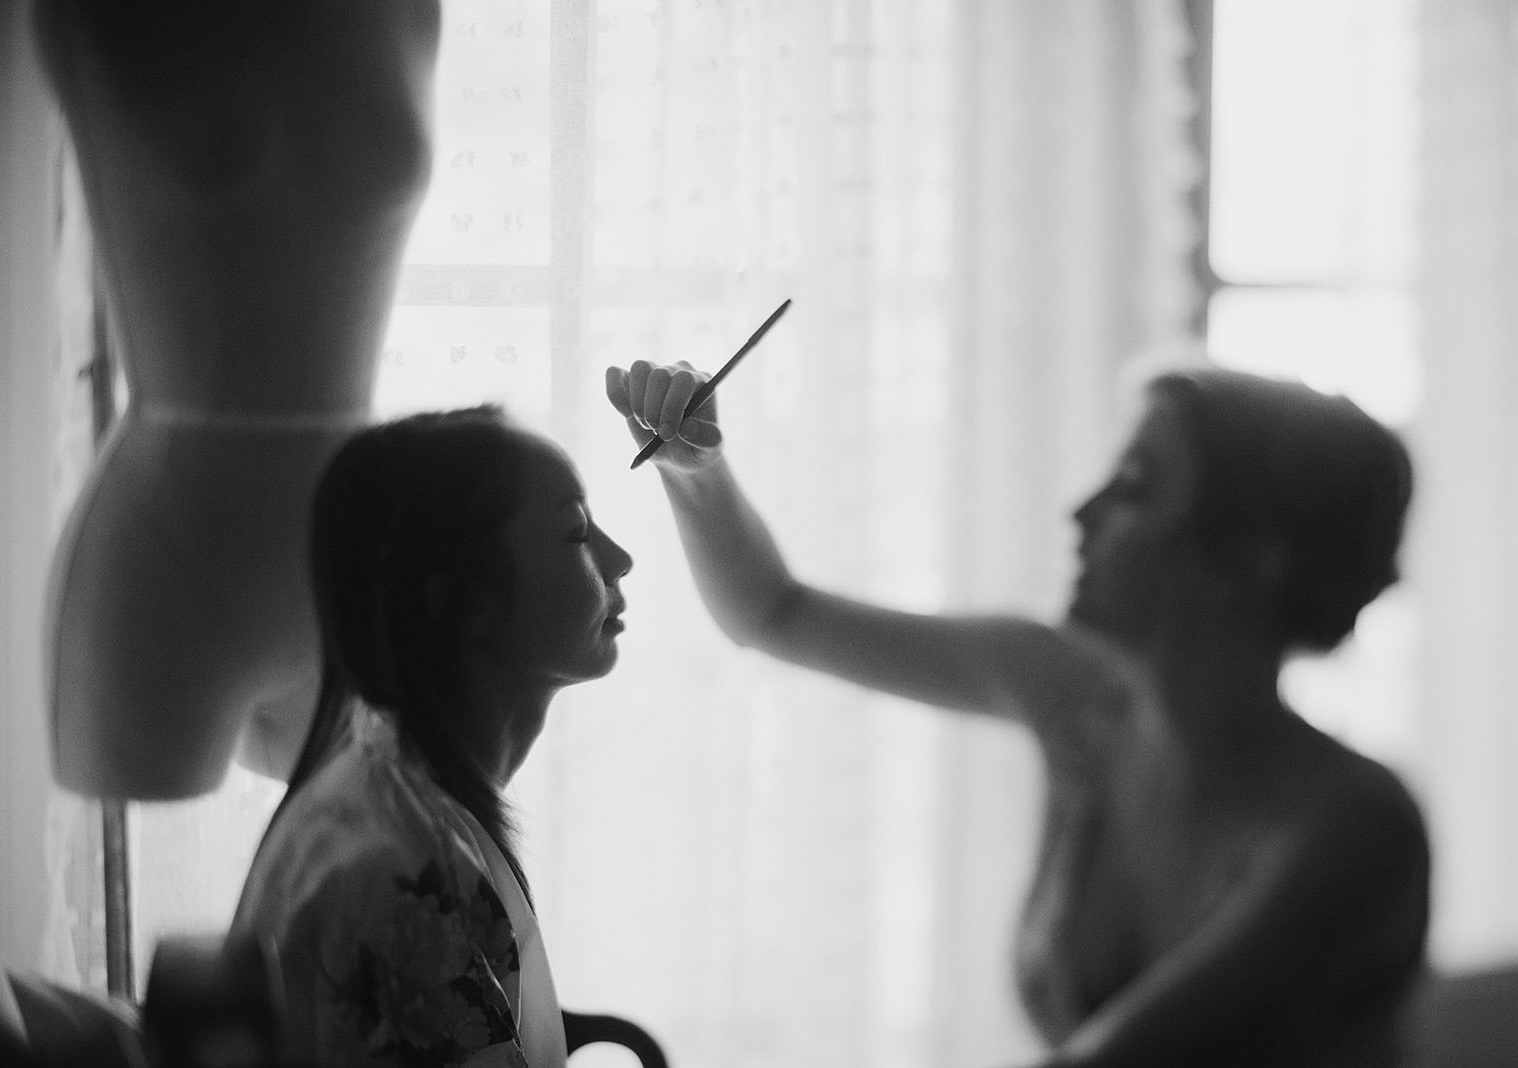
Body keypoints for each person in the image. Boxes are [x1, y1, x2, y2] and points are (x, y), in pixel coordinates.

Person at [606, 358, 1430, 1068]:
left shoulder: (1355, 828)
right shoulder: (1072, 695)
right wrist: (694, 466)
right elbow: (773, 613)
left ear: (1250, 561)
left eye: (1135, 487)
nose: (1082, 511)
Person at [231, 406, 633, 1068]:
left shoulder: (390, 793)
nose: (621, 560)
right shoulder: (406, 875)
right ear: (468, 603)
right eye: (577, 532)